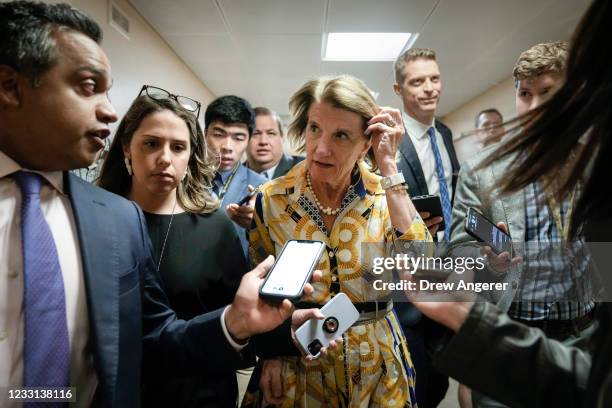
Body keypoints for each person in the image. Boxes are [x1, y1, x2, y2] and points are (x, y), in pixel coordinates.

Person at [0, 2, 321, 406]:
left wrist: (247, 326)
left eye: (178, 147)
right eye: (86, 86)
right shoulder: (119, 213)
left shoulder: (115, 220)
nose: (108, 110)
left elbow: (155, 336)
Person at [408, 0, 612, 406]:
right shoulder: (484, 170)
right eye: (525, 94)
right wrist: (486, 259)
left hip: (584, 333)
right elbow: (457, 248)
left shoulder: (598, 164)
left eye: (547, 94)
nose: (533, 107)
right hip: (509, 327)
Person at [242, 75, 430, 407]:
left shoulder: (387, 195)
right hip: (298, 361)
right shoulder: (272, 199)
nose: (321, 148)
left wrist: (388, 166)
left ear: (365, 142)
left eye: (341, 135)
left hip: (377, 363)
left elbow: (422, 268)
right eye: (315, 129)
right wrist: (271, 352)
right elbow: (259, 290)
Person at [97, 88, 249, 407]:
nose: (165, 158)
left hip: (199, 393)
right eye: (151, 144)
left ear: (190, 155)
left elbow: (238, 318)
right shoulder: (95, 216)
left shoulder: (215, 226)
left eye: (178, 147)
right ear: (127, 148)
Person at [393, 47, 458, 408]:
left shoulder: (445, 134)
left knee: (438, 379)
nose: (429, 88)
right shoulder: (388, 142)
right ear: (399, 89)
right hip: (406, 280)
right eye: (417, 81)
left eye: (434, 79)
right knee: (411, 380)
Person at [204, 95, 267, 258]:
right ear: (205, 134)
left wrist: (257, 226)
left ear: (248, 140)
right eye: (218, 134)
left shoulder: (264, 187)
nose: (227, 147)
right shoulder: (182, 179)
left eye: (238, 138)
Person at [246, 106, 303, 180]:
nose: (263, 141)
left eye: (271, 133)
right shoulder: (230, 175)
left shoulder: (306, 169)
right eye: (256, 133)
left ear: (282, 137)